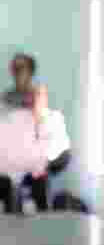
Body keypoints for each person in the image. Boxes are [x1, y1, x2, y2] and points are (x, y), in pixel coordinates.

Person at [0, 84, 71, 213]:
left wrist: (40, 121)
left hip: (42, 166)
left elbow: (58, 148)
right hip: (19, 168)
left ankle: (41, 215)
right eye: (33, 98)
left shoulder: (54, 118)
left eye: (39, 97)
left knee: (39, 182)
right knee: (8, 184)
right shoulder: (14, 120)